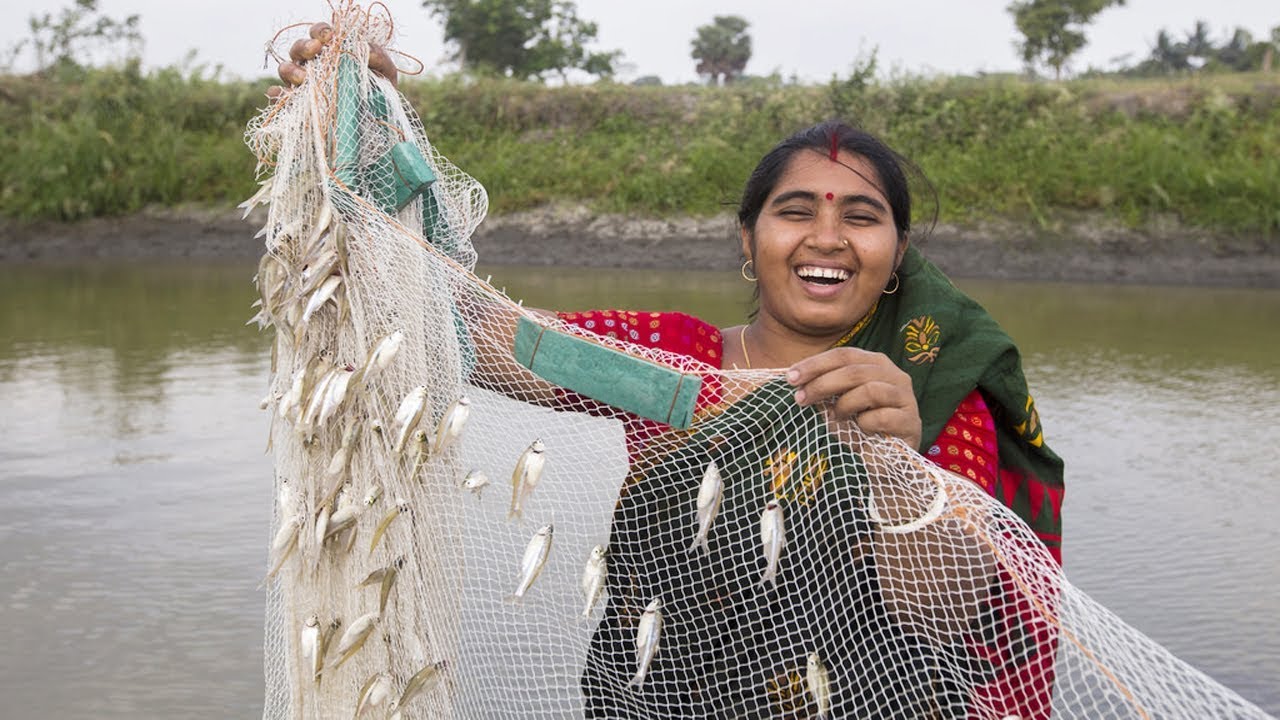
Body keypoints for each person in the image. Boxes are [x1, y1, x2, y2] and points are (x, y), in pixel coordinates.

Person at [278, 51, 1063, 718]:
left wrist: (896, 460)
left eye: (862, 217)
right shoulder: (671, 359)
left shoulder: (927, 388)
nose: (827, 237)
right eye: (795, 212)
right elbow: (470, 337)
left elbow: (947, 612)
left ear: (896, 256)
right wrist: (363, 134)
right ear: (749, 243)